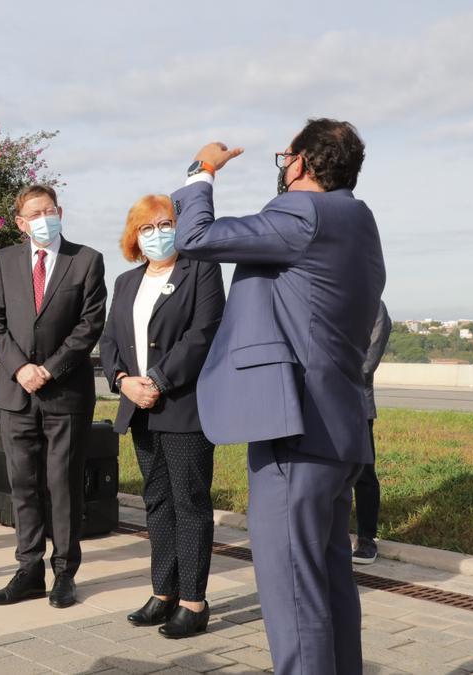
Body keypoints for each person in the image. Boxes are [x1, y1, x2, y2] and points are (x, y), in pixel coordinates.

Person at [171, 118, 385, 673]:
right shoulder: (360, 221)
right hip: (339, 430)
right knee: (330, 584)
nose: (280, 167)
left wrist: (201, 173)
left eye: (283, 158)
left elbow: (195, 239)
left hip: (295, 431)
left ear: (304, 163)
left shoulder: (302, 214)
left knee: (292, 595)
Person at [99, 195, 225, 638]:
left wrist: (155, 380)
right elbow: (111, 338)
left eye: (165, 223)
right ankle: (163, 592)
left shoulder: (200, 270)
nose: (157, 233)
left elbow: (202, 334)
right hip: (138, 408)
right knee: (157, 502)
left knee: (189, 502)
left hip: (182, 405)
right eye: (147, 227)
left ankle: (193, 601)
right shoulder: (126, 281)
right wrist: (121, 381)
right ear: (134, 236)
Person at [0, 185, 107, 609]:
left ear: (60, 212)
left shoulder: (86, 260)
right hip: (16, 393)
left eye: (49, 210)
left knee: (63, 483)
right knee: (24, 484)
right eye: (33, 213)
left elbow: (89, 326)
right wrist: (21, 368)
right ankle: (29, 568)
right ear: (20, 222)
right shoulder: (3, 261)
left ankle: (64, 572)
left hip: (65, 393)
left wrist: (50, 369)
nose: (43, 218)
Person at [353, 300, 392, 565]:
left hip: (357, 405)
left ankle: (367, 538)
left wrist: (331, 377)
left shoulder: (374, 305)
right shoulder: (325, 295)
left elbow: (368, 363)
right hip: (320, 404)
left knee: (364, 474)